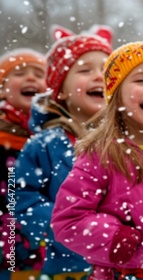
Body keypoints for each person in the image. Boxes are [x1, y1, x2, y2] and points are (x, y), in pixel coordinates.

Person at [51, 41, 143, 279]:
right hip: (122, 272)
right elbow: (68, 220)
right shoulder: (100, 153)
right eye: (141, 80)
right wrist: (112, 237)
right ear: (116, 94)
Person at [14, 25, 113, 279]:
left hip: (118, 262)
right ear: (61, 89)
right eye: (84, 70)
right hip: (65, 263)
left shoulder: (121, 141)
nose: (97, 77)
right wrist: (66, 226)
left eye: (105, 70)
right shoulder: (43, 144)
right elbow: (22, 197)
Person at [0, 48, 46, 279]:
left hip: (42, 243)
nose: (31, 78)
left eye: (39, 74)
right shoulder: (2, 134)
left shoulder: (53, 136)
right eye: (20, 73)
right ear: (2, 87)